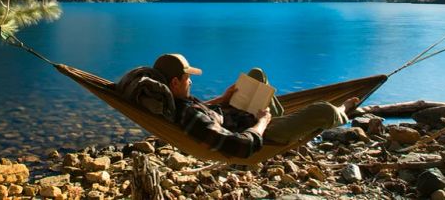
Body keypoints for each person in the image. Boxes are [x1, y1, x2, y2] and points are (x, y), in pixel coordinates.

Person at [153, 53, 359, 158]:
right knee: (323, 110)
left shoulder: (172, 103)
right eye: (187, 77)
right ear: (174, 82)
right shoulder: (190, 116)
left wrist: (221, 100)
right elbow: (240, 145)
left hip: (235, 116)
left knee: (256, 74)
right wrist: (262, 122)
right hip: (261, 134)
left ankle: (280, 118)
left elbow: (198, 111)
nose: (191, 81)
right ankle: (342, 111)